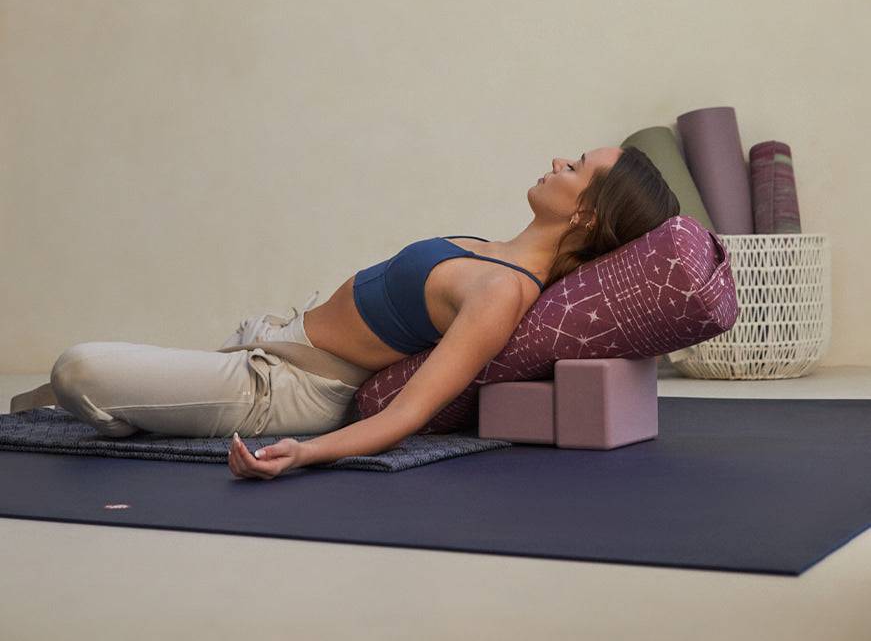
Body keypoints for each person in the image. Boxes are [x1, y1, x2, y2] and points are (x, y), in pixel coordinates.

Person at [35, 145, 678, 480]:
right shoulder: (491, 251)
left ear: (585, 213)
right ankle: (141, 411)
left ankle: (132, 415)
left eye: (577, 166)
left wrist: (304, 455)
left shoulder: (502, 294)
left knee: (77, 370)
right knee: (65, 388)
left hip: (284, 390)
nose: (559, 159)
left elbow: (407, 414)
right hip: (273, 345)